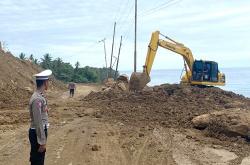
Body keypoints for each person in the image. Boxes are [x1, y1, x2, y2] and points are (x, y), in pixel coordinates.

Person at [28, 69, 52, 165]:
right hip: (37, 132)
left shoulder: (40, 96)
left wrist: (44, 111)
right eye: (48, 82)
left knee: (38, 158)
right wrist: (42, 141)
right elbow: (38, 122)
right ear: (45, 82)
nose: (49, 84)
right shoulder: (37, 98)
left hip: (38, 131)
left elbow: (39, 113)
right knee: (38, 160)